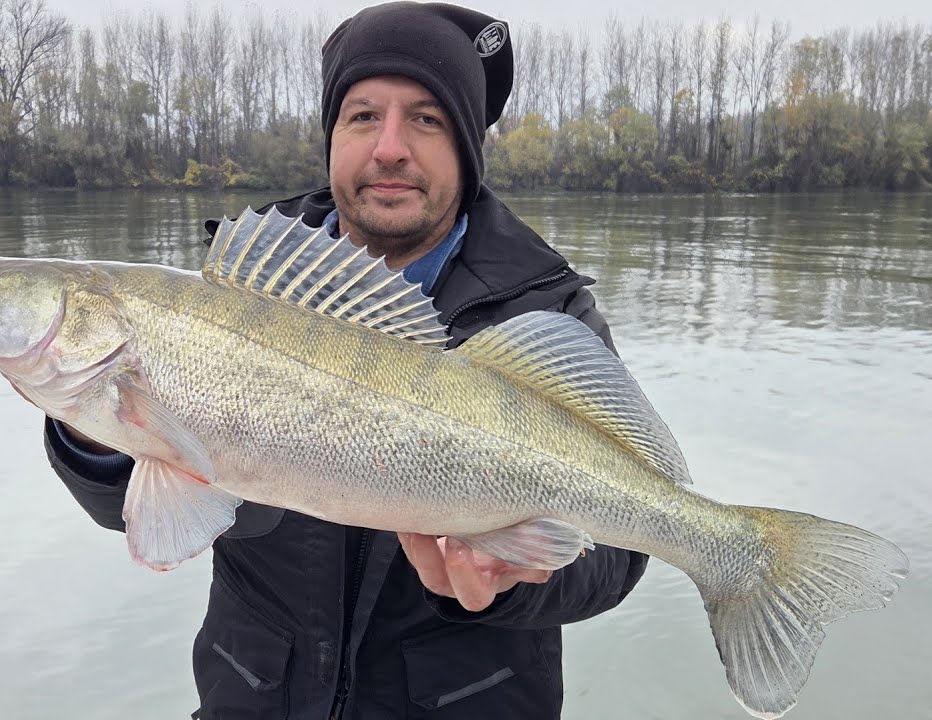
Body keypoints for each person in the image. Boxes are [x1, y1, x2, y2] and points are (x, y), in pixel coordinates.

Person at [40, 3, 647, 718]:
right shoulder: (226, 298)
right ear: (331, 137)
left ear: (469, 149)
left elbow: (621, 548)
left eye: (426, 119)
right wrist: (98, 425)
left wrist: (518, 577)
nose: (390, 147)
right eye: (362, 116)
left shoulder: (544, 314)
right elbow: (157, 508)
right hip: (254, 695)